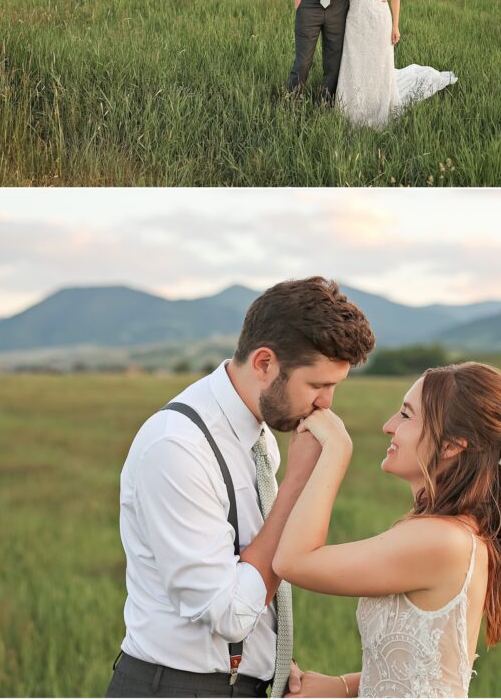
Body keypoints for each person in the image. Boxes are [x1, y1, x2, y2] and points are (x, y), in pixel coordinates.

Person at [105, 277, 375, 699]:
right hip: (177, 688)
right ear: (265, 363)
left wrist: (267, 656)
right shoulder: (177, 447)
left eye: (334, 386)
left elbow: (250, 563)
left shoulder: (260, 436)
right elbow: (227, 611)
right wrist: (298, 483)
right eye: (318, 385)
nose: (327, 403)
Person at [273, 362, 501, 699]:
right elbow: (431, 668)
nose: (388, 426)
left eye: (405, 415)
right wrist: (341, 686)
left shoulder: (442, 540)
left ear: (451, 445)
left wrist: (336, 451)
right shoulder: (450, 533)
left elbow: (293, 561)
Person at [335, 0, 458, 128]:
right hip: (354, 19)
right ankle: (353, 108)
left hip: (379, 19)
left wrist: (395, 25)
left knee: (378, 61)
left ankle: (378, 106)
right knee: (355, 62)